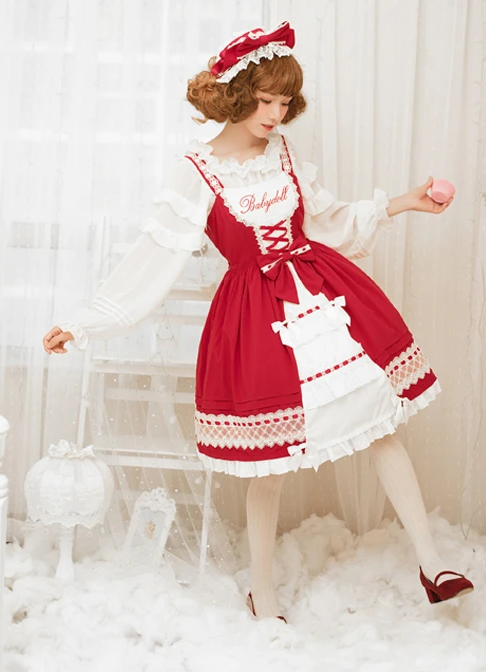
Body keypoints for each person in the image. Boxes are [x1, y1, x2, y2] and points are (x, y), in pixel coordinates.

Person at [43, 21, 474, 621]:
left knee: (378, 420)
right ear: (236, 95)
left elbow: (328, 222)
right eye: (265, 100)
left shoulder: (285, 154)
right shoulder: (197, 170)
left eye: (284, 102)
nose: (276, 114)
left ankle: (432, 564)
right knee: (269, 463)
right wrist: (85, 323)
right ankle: (262, 592)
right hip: (256, 319)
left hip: (323, 297)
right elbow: (155, 255)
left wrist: (405, 202)